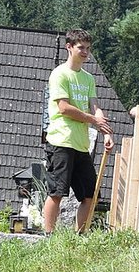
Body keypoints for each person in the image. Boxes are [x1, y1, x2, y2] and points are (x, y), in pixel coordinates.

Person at [42, 29, 115, 234]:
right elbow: (64, 108)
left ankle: (79, 236)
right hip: (61, 141)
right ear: (69, 47)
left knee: (91, 195)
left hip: (82, 145)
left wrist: (106, 132)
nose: (85, 52)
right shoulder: (59, 74)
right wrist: (93, 120)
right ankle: (48, 235)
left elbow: (95, 107)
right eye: (81, 47)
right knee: (57, 192)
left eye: (88, 48)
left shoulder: (88, 78)